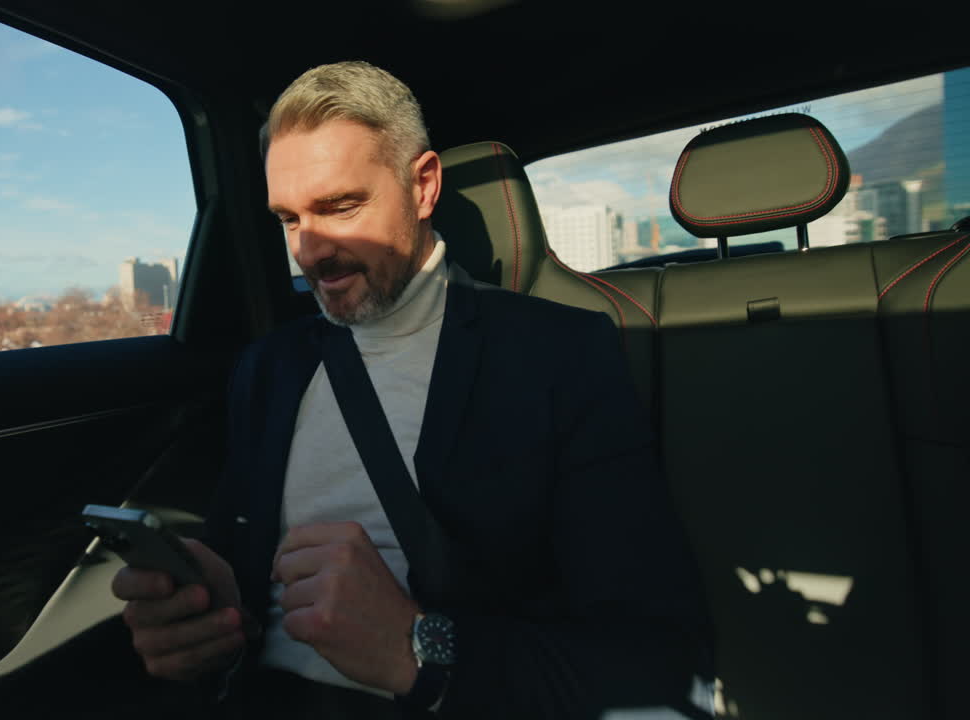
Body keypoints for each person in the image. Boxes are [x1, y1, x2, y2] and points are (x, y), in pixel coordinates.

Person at [113, 61, 711, 718]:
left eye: (341, 207)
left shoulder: (559, 355)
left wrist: (417, 647)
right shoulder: (268, 367)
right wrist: (211, 620)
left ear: (423, 186)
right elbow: (240, 578)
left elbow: (659, 667)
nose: (310, 253)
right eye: (289, 219)